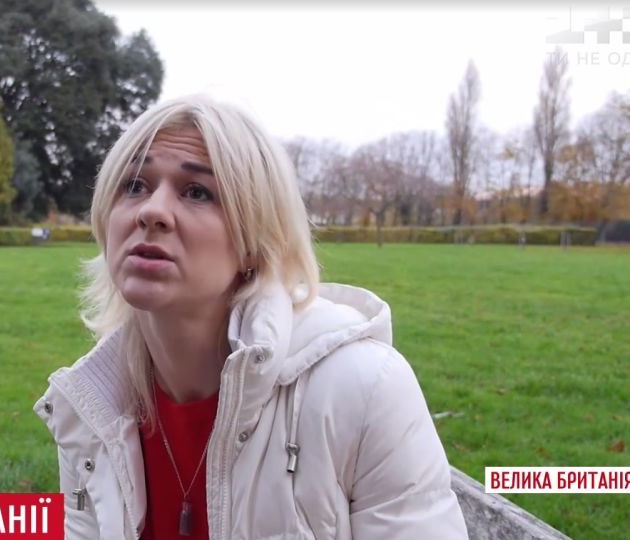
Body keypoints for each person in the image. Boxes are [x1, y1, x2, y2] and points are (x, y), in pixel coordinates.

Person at [34, 95, 468, 539]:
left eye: (197, 192)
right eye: (134, 186)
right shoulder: (92, 404)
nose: (152, 211)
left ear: (253, 243)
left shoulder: (364, 387)